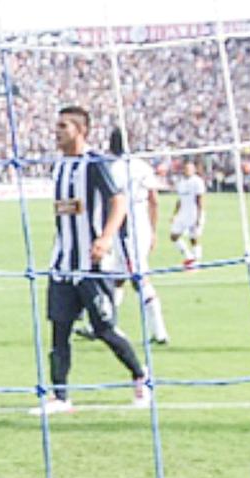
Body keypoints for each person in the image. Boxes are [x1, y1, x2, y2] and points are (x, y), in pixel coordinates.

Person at [34, 106, 149, 416]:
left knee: (104, 329)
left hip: (93, 265)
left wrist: (106, 237)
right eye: (56, 125)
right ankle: (60, 396)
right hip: (62, 264)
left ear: (81, 130)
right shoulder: (59, 166)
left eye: (64, 126)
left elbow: (119, 201)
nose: (57, 132)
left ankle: (140, 375)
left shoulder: (96, 163)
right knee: (59, 330)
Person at [76, 128, 169, 345]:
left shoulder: (110, 167)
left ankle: (159, 331)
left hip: (124, 228)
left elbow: (106, 201)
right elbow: (154, 200)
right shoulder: (141, 166)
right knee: (117, 278)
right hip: (141, 223)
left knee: (138, 278)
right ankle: (103, 325)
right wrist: (153, 231)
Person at [169, 160, 206, 269]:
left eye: (190, 169)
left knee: (194, 238)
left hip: (193, 213)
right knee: (173, 236)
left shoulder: (197, 182)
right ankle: (188, 256)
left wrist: (199, 217)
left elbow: (200, 200)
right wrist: (174, 214)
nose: (187, 171)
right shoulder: (181, 182)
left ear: (194, 170)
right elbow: (180, 200)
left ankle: (196, 260)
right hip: (183, 214)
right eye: (186, 169)